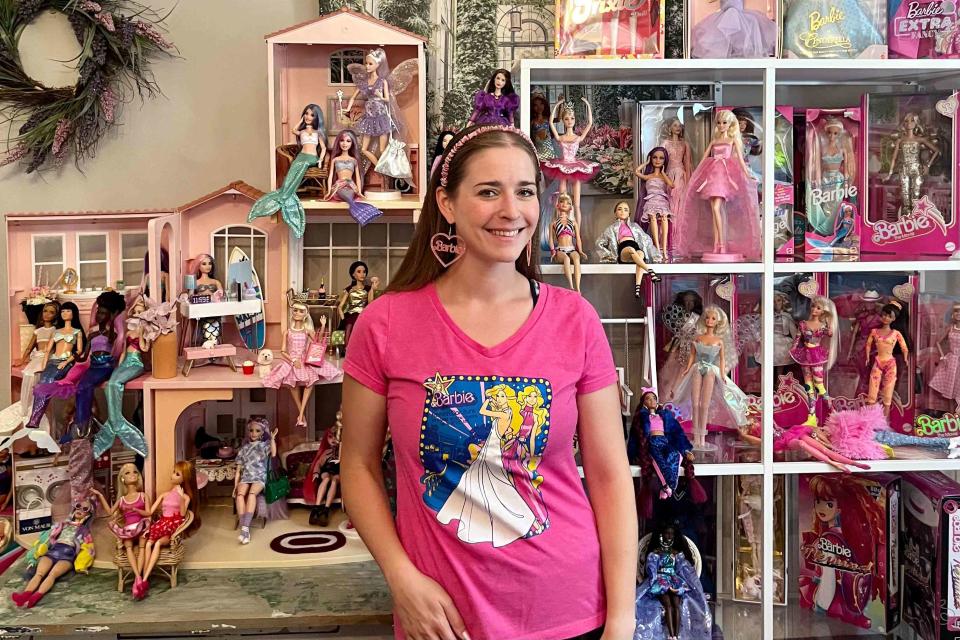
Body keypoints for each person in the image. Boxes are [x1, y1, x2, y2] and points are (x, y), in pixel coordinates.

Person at [341, 124, 637, 640]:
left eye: (525, 191)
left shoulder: (577, 320)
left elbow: (610, 477)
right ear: (447, 204)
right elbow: (358, 464)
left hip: (571, 610)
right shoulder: (385, 324)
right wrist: (401, 578)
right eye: (487, 191)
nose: (511, 210)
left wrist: (622, 619)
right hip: (441, 621)